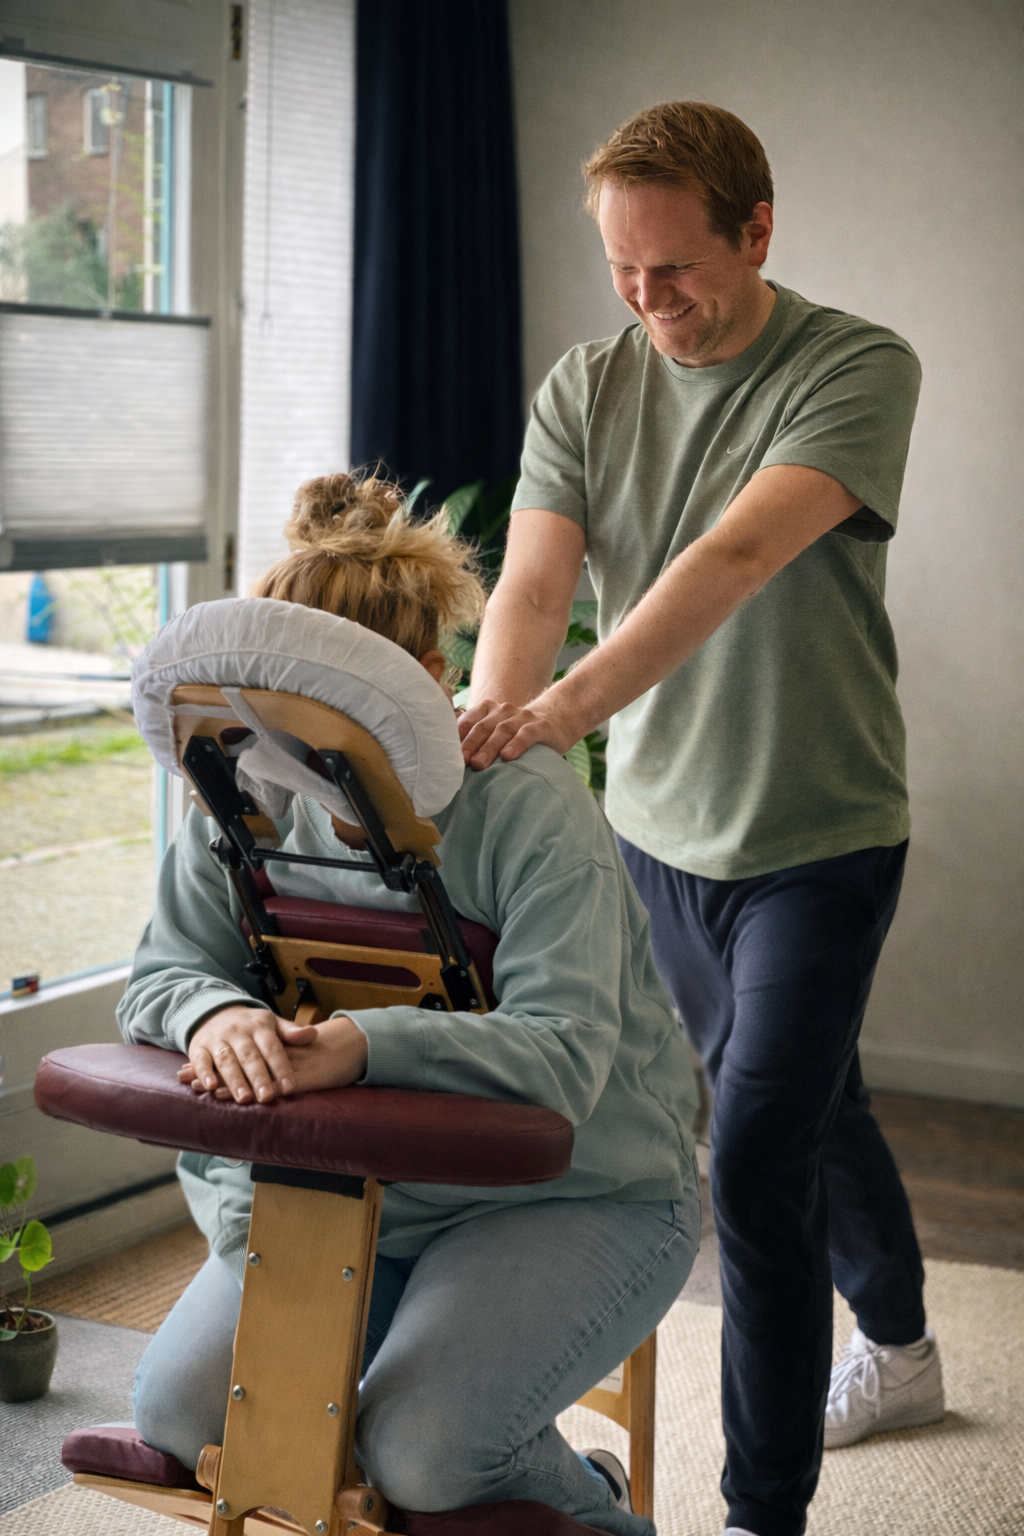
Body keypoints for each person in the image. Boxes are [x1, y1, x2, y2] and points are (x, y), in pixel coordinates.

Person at [458, 102, 943, 1536]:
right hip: (662, 835)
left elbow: (731, 556)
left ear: (757, 231)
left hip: (820, 833)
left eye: (674, 267)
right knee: (814, 1098)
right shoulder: (585, 385)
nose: (646, 297)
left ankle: (759, 1510)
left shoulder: (855, 366)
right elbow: (533, 584)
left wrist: (561, 713)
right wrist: (490, 721)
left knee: (754, 1152)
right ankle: (904, 1349)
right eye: (622, 268)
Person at [120, 471, 702, 1536]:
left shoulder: (528, 807)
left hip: (575, 1191)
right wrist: (213, 1014)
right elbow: (162, 974)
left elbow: (565, 1055)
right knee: (183, 1414)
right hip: (349, 1192)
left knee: (426, 1455)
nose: (300, 751)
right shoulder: (242, 799)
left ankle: (597, 1507)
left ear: (434, 683)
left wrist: (357, 1042)